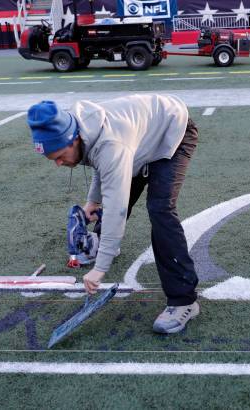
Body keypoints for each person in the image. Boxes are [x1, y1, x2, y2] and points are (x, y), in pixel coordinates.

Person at [27, 95, 201, 332]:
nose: (57, 164)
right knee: (109, 197)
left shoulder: (111, 145)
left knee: (160, 208)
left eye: (58, 157)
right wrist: (92, 201)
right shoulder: (82, 132)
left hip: (171, 131)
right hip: (137, 139)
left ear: (73, 139)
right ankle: (103, 245)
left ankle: (184, 301)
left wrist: (100, 268)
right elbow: (101, 165)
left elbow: (116, 203)